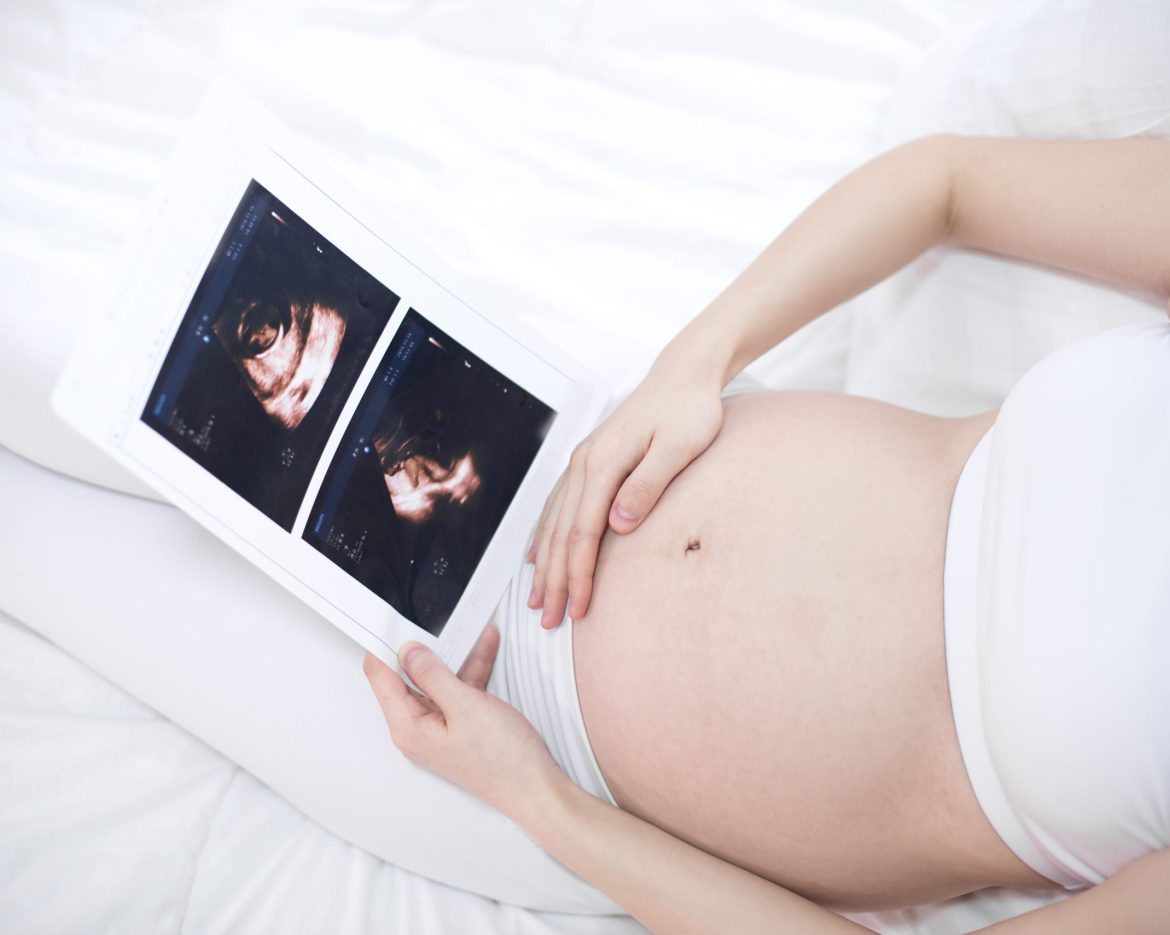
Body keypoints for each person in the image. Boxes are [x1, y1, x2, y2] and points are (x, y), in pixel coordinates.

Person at [363, 134, 1170, 932]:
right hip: (597, 431)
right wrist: (694, 363)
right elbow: (950, 183)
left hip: (538, 763)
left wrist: (541, 801)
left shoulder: (538, 789)